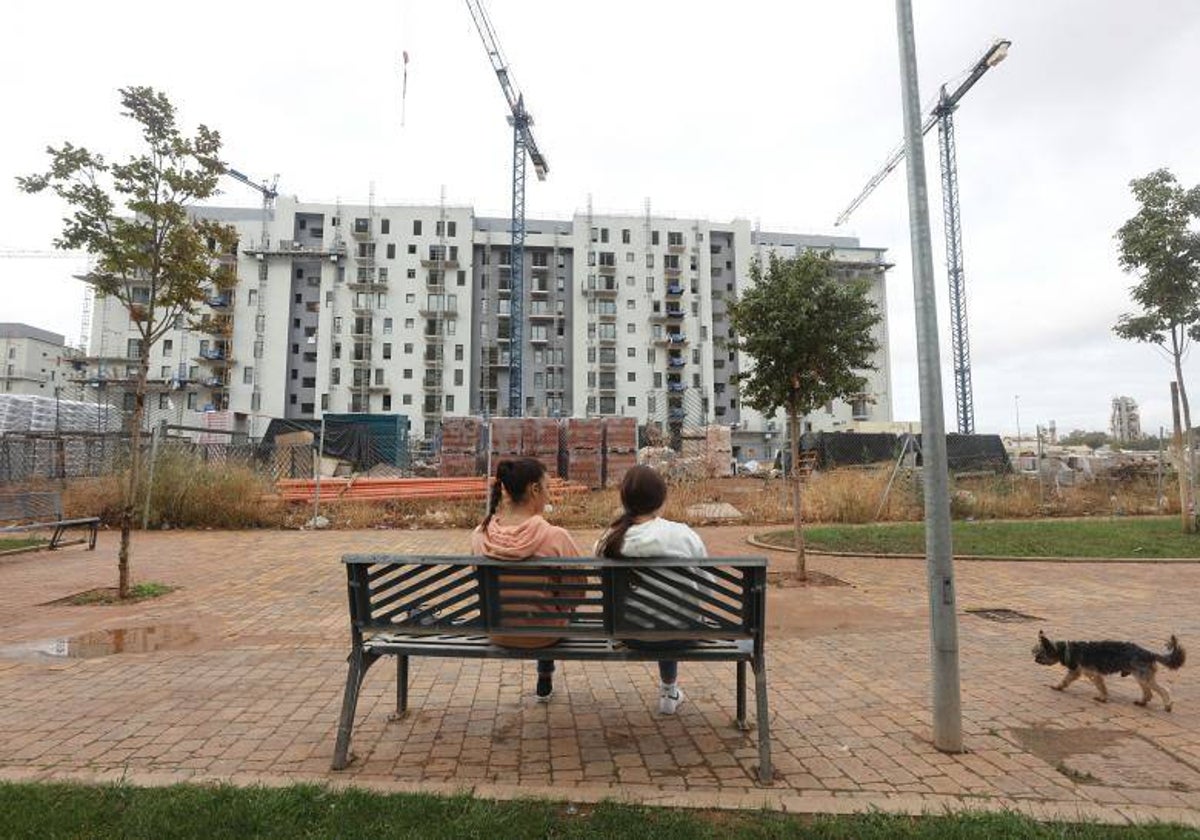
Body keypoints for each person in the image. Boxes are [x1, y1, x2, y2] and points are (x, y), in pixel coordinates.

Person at [596, 465, 711, 715]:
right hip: (681, 632)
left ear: (624, 499)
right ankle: (669, 691)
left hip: (629, 633)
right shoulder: (683, 535)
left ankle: (669, 690)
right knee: (672, 611)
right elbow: (707, 589)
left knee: (654, 612)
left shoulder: (609, 541)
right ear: (661, 498)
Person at [472, 457, 582, 703]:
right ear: (534, 489)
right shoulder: (556, 537)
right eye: (548, 488)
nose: (549, 496)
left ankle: (545, 674)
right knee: (552, 603)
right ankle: (545, 672)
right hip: (544, 634)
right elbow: (576, 592)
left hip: (497, 632)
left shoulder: (480, 535)